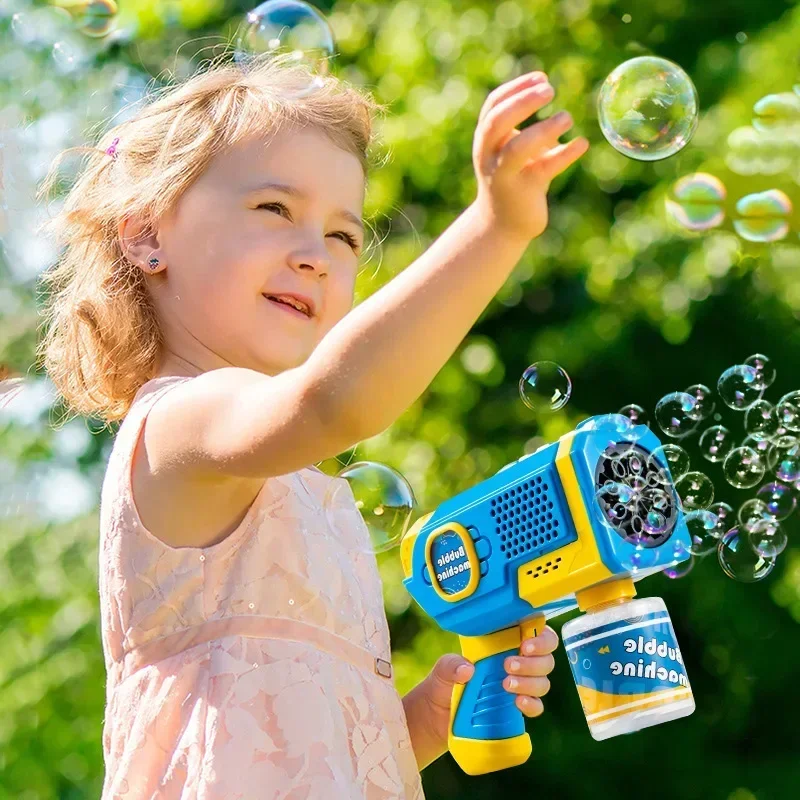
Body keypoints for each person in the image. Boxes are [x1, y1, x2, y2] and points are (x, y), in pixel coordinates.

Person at [36, 51, 588, 799]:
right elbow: (332, 403)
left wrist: (421, 721)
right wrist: (495, 228)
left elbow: (297, 752)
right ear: (146, 235)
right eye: (274, 210)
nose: (318, 258)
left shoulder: (290, 478)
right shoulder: (181, 426)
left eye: (344, 237)